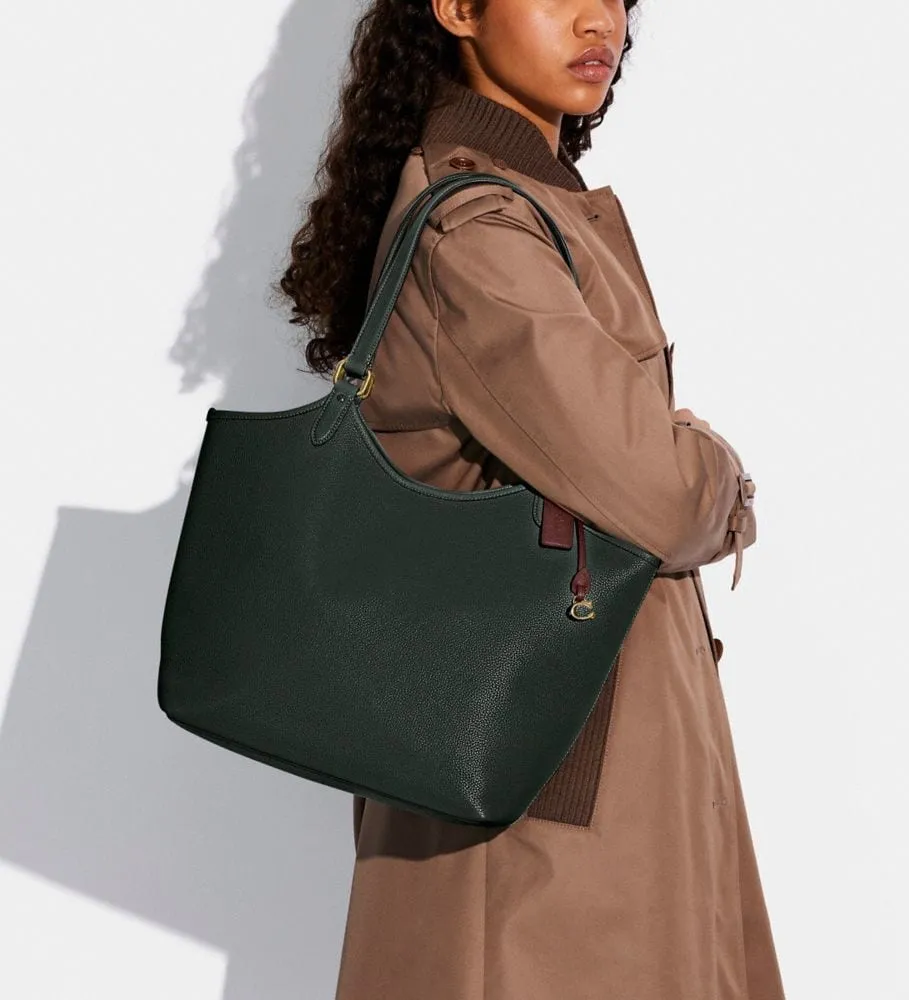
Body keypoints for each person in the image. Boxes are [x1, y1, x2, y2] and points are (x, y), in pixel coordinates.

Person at [276, 1, 784, 997]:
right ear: (457, 8)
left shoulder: (531, 205)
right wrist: (721, 471)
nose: (600, 19)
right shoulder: (478, 230)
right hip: (542, 809)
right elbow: (663, 495)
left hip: (582, 774)